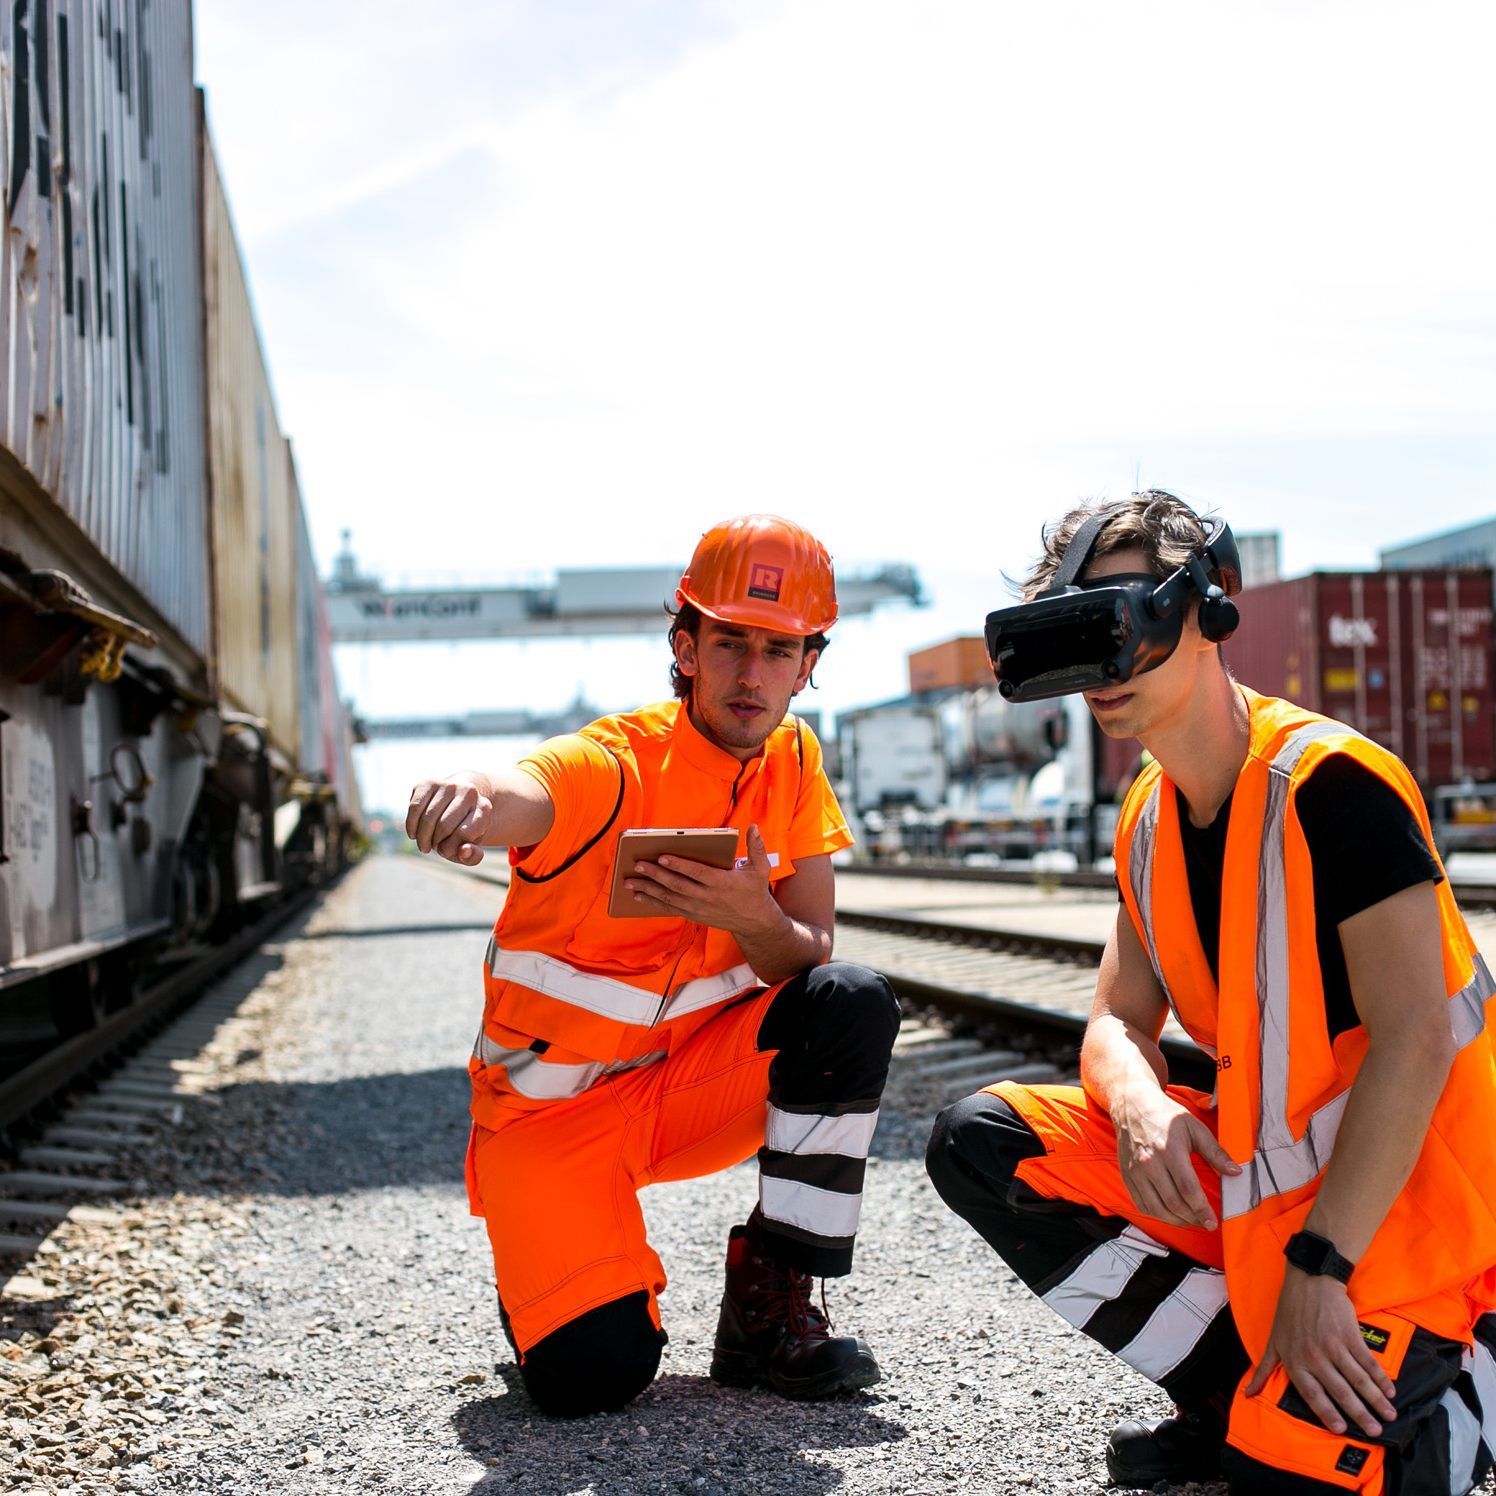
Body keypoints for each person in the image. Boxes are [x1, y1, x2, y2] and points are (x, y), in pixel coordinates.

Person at [925, 491, 1496, 1492]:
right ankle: (1236, 1394)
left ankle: (1475, 1369)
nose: (1104, 670)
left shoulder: (1333, 785)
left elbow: (1414, 1038)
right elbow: (1115, 1018)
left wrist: (1321, 1268)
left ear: (1203, 611)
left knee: (1297, 1483)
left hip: (1412, 1225)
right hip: (1266, 1207)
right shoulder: (1147, 811)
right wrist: (1139, 1106)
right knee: (982, 1140)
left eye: (1119, 624)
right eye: (1077, 639)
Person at [406, 514, 899, 1417]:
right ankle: (549, 1277)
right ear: (686, 647)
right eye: (731, 642)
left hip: (685, 1093)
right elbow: (528, 790)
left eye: (779, 650)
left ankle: (769, 1306)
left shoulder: (795, 762)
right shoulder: (616, 765)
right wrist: (470, 798)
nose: (752, 674)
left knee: (849, 1000)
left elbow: (812, 950)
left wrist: (753, 918)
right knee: (596, 1378)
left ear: (808, 665)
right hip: (548, 1123)